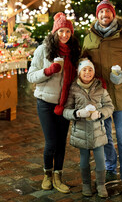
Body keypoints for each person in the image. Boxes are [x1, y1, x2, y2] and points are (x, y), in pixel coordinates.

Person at [82, 0, 122, 198]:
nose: (104, 16)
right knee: (106, 138)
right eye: (101, 12)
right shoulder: (89, 38)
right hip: (100, 97)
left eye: (108, 12)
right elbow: (83, 62)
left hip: (120, 96)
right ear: (97, 15)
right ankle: (111, 169)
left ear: (113, 14)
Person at [27, 12, 80, 193]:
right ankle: (47, 174)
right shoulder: (43, 50)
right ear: (54, 32)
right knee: (51, 142)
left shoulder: (73, 52)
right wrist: (48, 71)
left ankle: (58, 176)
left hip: (64, 103)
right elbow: (30, 76)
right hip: (45, 102)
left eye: (67, 31)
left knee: (61, 142)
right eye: (61, 31)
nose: (64, 35)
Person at [63, 58, 114, 198]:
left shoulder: (100, 89)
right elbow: (66, 110)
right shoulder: (73, 89)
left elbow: (110, 106)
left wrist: (100, 113)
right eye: (84, 70)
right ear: (79, 73)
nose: (87, 72)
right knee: (84, 160)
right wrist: (77, 113)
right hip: (81, 131)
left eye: (90, 70)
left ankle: (101, 184)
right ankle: (86, 184)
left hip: (98, 131)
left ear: (94, 72)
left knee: (100, 160)